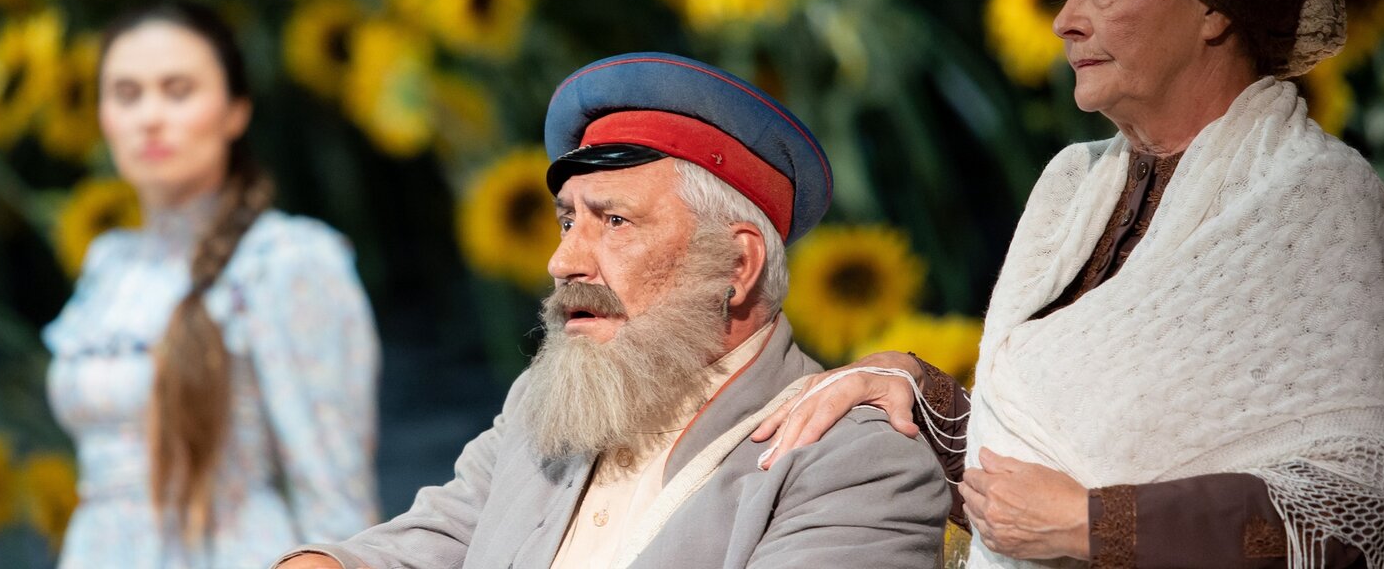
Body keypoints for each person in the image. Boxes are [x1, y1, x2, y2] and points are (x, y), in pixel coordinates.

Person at [753, 0, 1384, 569]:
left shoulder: (1319, 199)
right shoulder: (1073, 186)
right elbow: (1039, 479)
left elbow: (1348, 512)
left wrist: (1096, 524)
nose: (1064, 19)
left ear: (1215, 2)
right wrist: (915, 393)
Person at [276, 52, 949, 569]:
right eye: (569, 221)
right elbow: (441, 537)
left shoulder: (854, 458)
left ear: (737, 266)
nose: (562, 261)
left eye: (616, 221)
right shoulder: (546, 405)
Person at [42, 0, 380, 568]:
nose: (150, 117)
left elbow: (337, 500)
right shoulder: (110, 265)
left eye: (178, 91)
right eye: (126, 94)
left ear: (235, 111)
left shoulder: (286, 260)